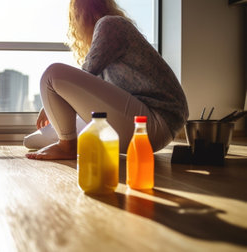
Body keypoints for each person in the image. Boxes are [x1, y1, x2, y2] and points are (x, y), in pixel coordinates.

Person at [25, 0, 189, 160]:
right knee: (35, 139)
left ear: (81, 15)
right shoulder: (107, 51)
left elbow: (83, 73)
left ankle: (67, 147)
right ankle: (66, 142)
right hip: (148, 126)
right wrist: (54, 109)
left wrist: (49, 103)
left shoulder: (111, 24)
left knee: (52, 74)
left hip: (155, 120)